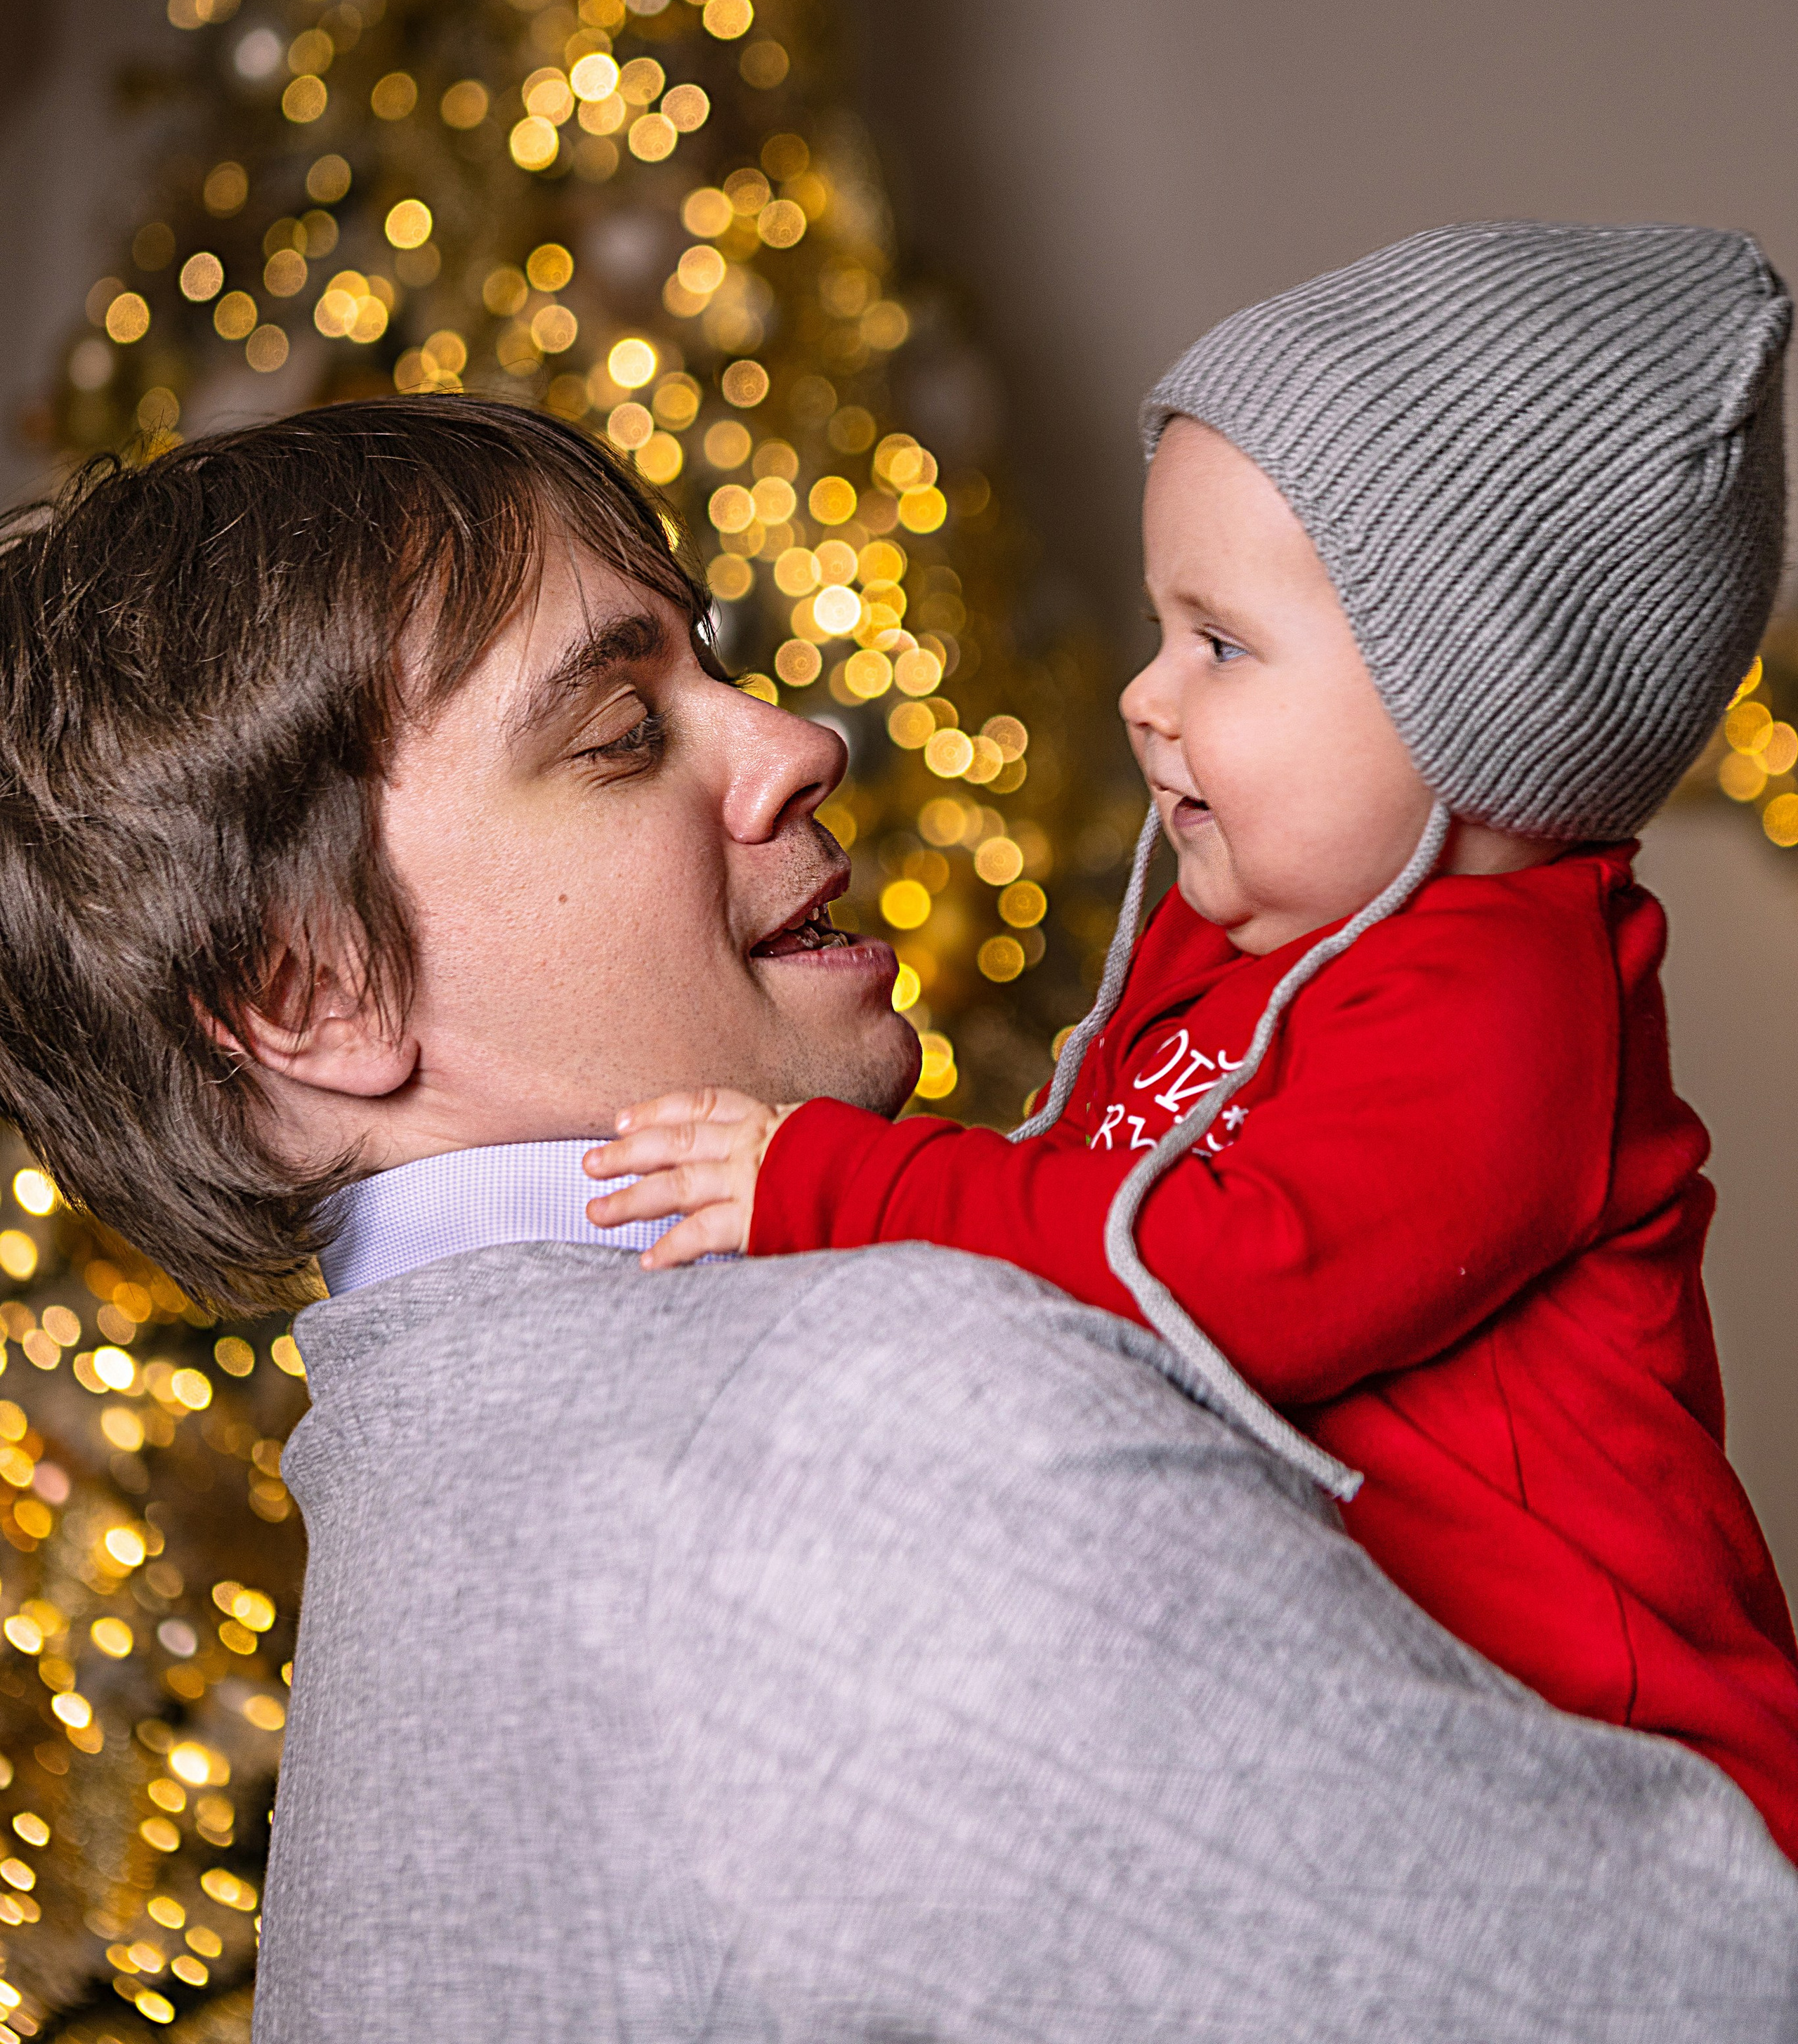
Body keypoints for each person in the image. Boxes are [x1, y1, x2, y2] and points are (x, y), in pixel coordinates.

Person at [0, 395, 1794, 2043]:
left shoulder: (442, 1471)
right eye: (622, 732)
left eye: (710, 667)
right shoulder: (871, 1429)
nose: (800, 737)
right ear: (311, 997)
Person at [591, 222, 1798, 1863]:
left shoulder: (1509, 1007)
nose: (1146, 698)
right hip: (1381, 1763)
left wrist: (840, 1187)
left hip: (1627, 1799)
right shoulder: (1229, 945)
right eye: (1165, 633)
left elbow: (1224, 1283)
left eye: (1218, 644)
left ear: (1477, 704)